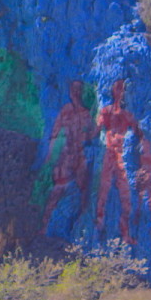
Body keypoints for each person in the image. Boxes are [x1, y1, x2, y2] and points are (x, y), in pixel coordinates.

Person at [95, 79, 151, 244]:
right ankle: (98, 226)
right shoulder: (106, 111)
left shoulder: (128, 116)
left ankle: (125, 234)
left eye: (123, 89)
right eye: (118, 89)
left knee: (126, 197)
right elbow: (95, 131)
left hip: (123, 158)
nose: (121, 92)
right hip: (108, 156)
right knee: (103, 192)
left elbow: (140, 134)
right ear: (113, 91)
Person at [43, 80, 98, 227]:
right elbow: (54, 134)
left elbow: (93, 134)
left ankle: (82, 223)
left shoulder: (86, 114)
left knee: (83, 189)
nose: (76, 93)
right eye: (73, 90)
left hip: (80, 156)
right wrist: (49, 157)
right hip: (66, 157)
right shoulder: (65, 111)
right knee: (57, 191)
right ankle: (44, 226)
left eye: (78, 90)